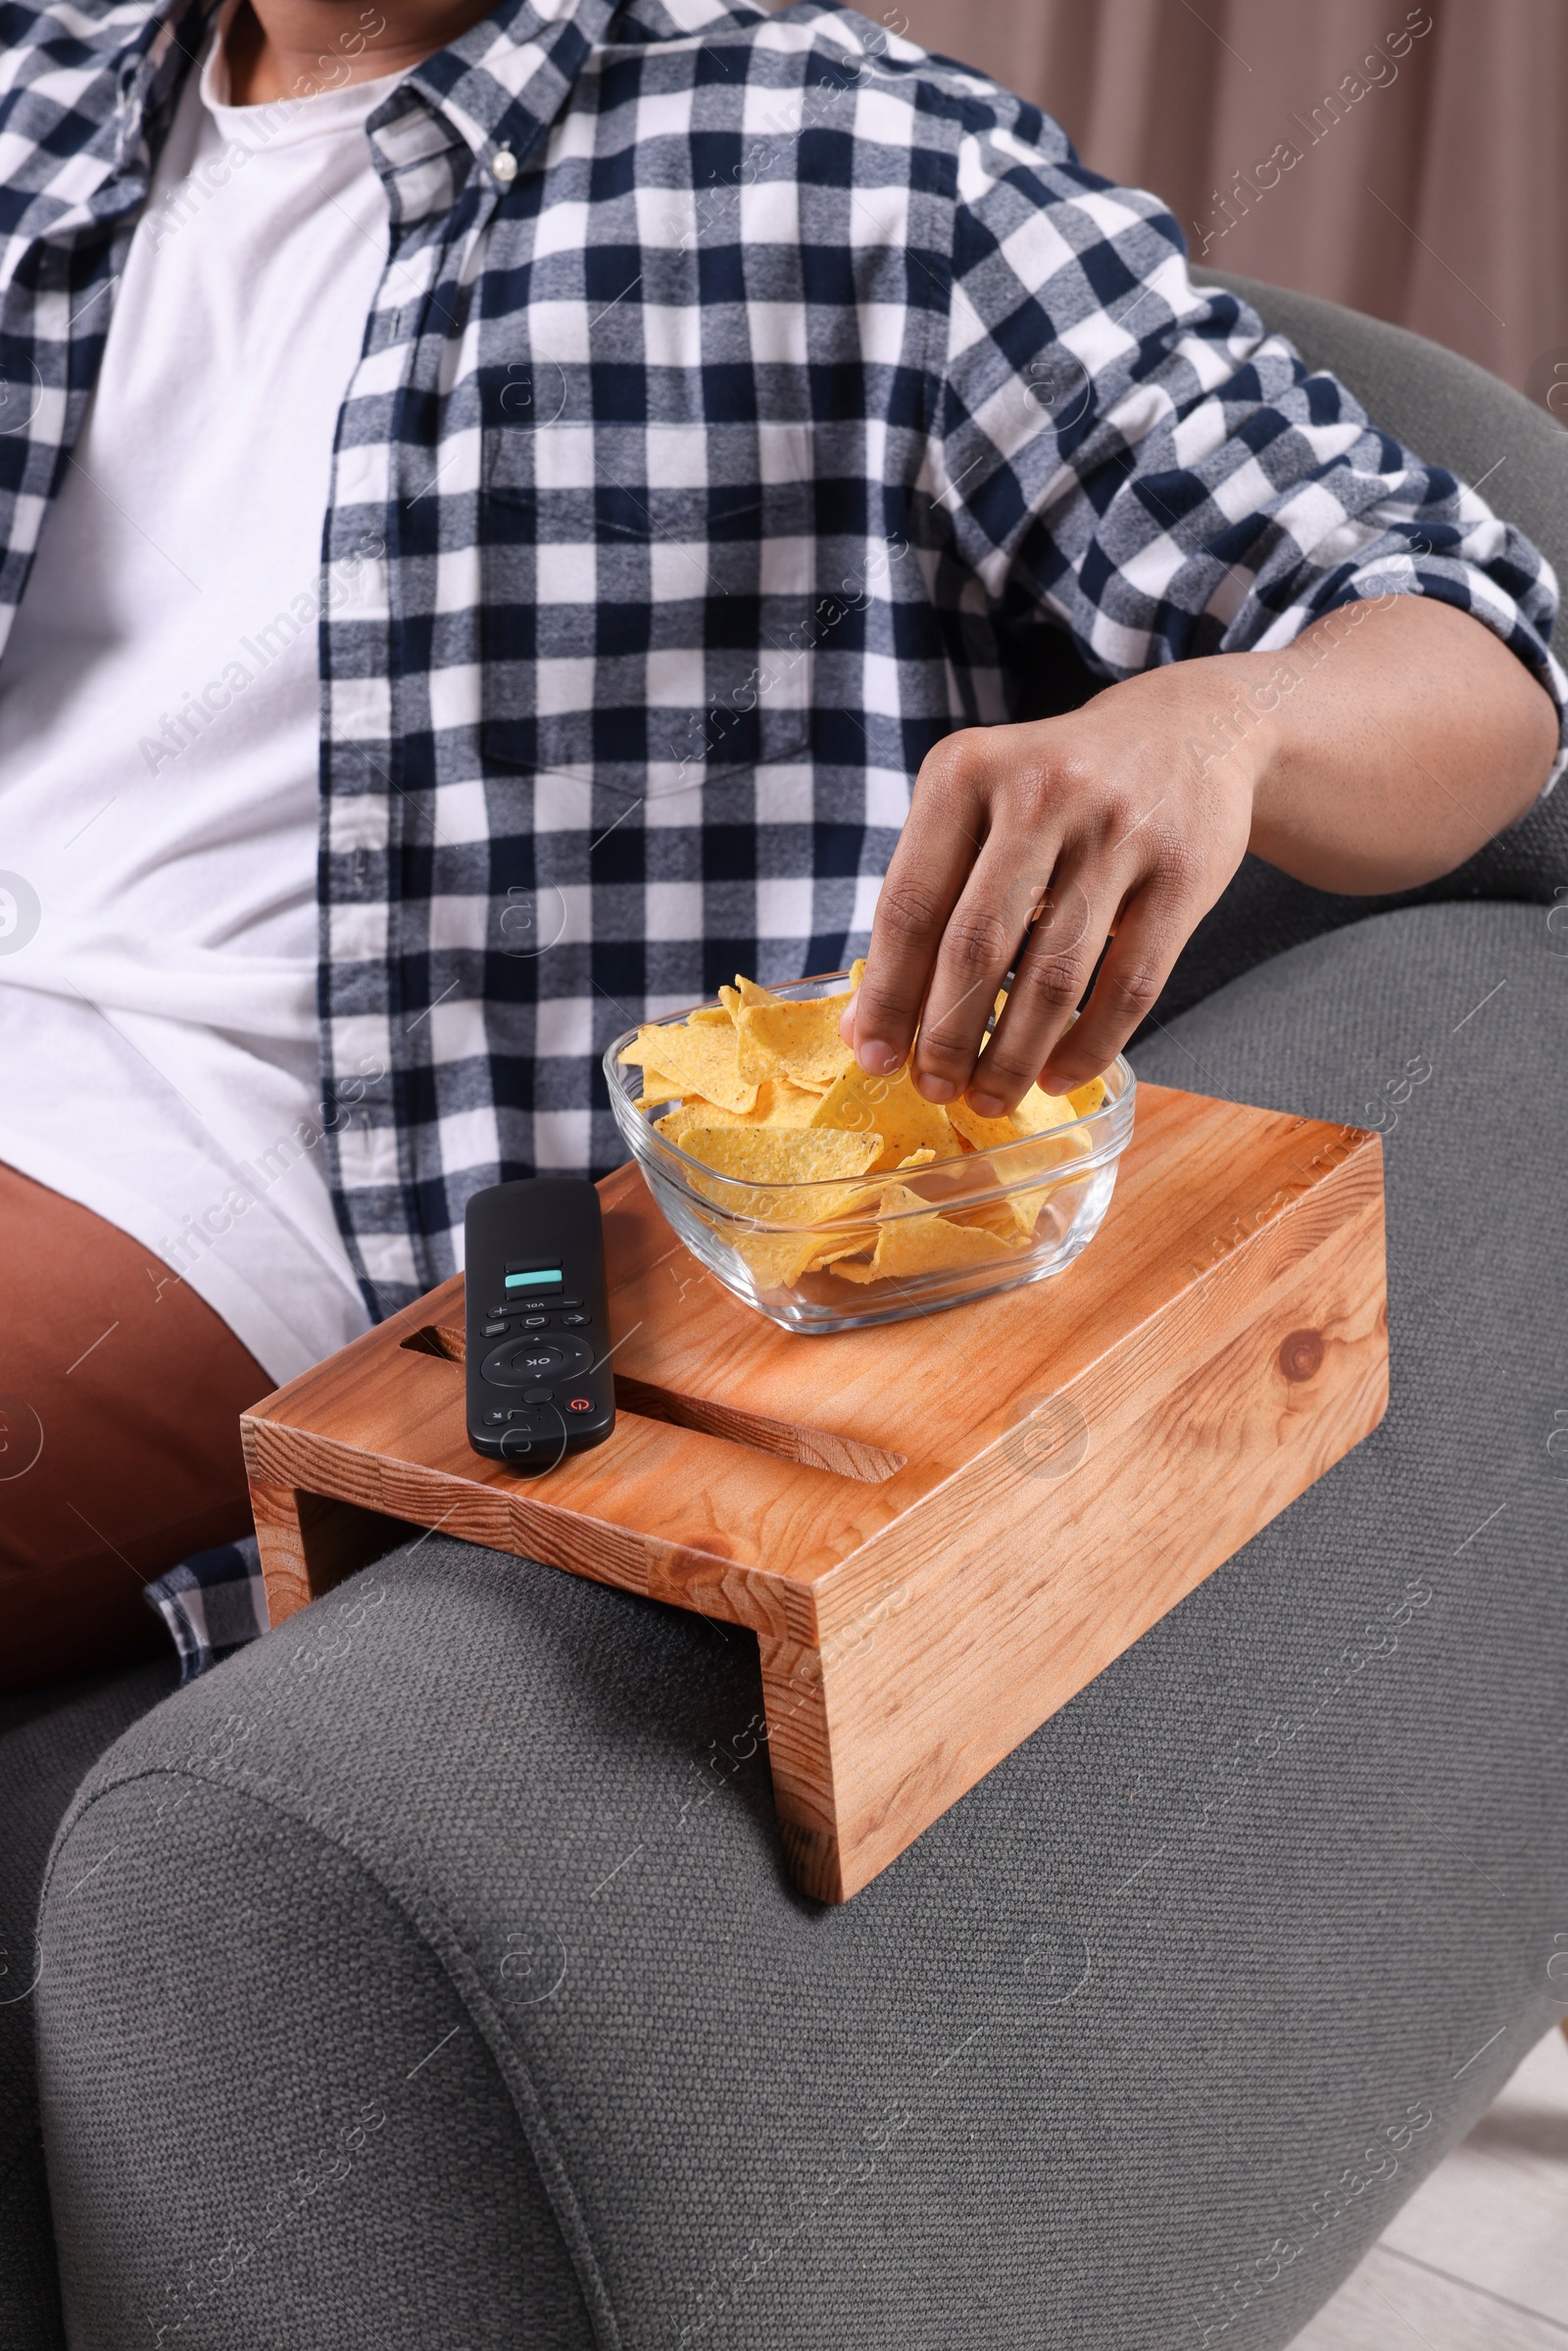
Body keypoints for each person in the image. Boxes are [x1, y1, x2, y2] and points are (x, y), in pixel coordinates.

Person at [1, 0, 1560, 1690]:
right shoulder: (41, 91)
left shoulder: (865, 170)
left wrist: (1223, 724)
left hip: (260, 1176)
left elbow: (1474, 646)